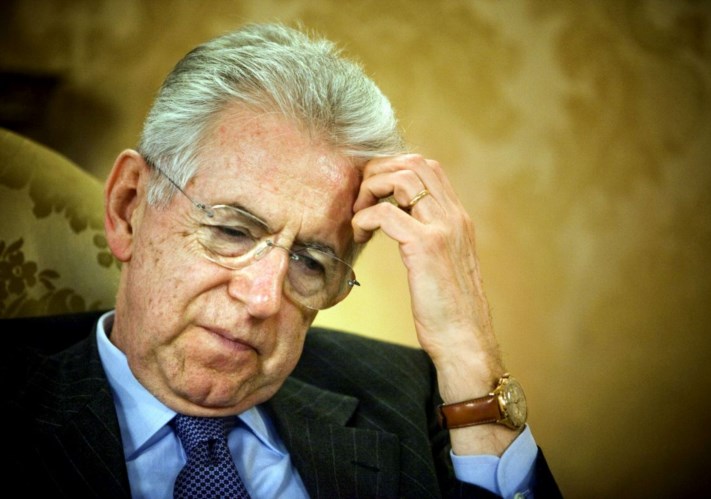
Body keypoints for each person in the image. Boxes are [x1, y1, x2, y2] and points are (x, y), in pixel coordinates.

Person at [2, 23, 561, 498]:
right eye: (232, 230)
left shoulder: (411, 396)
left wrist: (468, 348)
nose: (263, 298)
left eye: (311, 263)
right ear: (129, 208)